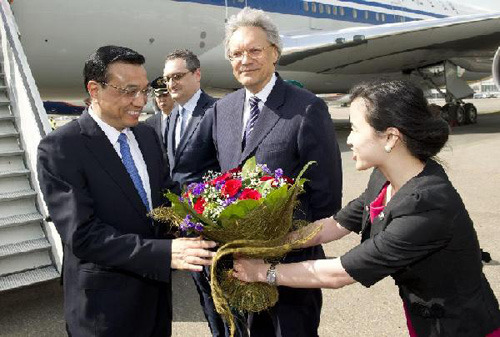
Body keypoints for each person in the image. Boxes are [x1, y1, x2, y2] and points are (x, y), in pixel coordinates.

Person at [233, 80, 500, 337]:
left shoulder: (427, 204)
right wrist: (272, 244)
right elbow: (334, 225)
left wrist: (261, 273)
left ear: (390, 137)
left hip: (465, 326)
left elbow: (340, 272)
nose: (349, 140)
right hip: (424, 316)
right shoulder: (384, 178)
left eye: (355, 129)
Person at [37, 45, 216, 337]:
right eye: (129, 91)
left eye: (144, 91)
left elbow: (166, 198)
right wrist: (165, 252)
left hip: (156, 302)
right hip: (103, 310)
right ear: (94, 89)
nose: (141, 101)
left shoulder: (146, 134)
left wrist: (208, 221)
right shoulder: (61, 147)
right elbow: (82, 235)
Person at [210, 8, 343, 337]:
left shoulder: (306, 108)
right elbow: (200, 173)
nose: (245, 60)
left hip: (291, 268)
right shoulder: (221, 111)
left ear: (275, 53)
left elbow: (325, 197)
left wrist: (284, 241)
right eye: (237, 53)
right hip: (238, 266)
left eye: (255, 50)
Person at [162, 49, 223, 336]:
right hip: (186, 225)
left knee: (224, 293)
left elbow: (227, 167)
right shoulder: (172, 116)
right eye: (167, 79)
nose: (171, 84)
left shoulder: (216, 111)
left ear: (197, 75)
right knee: (204, 292)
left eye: (177, 76)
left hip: (213, 225)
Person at [144, 76, 175, 157]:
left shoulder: (185, 119)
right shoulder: (149, 123)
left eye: (165, 95)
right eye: (158, 96)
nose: (162, 99)